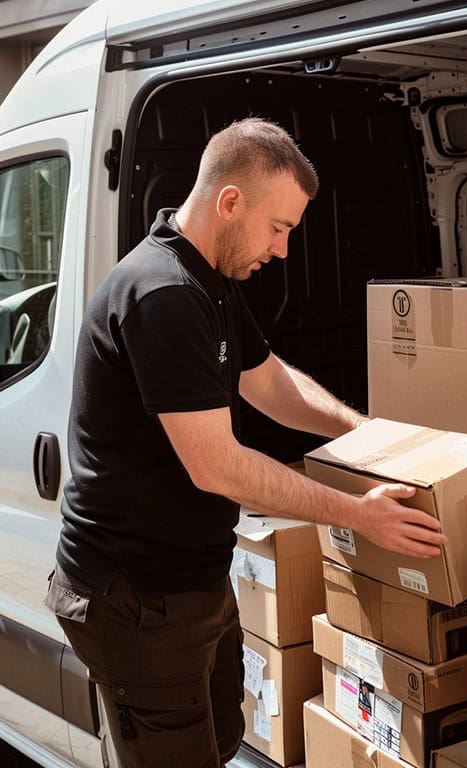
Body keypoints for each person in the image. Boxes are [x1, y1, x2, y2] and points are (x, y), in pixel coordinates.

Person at [44, 117, 446, 768]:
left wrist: (367, 433)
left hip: (192, 581)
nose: (283, 250)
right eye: (279, 228)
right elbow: (219, 468)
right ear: (230, 202)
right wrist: (358, 513)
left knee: (224, 743)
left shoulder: (209, 279)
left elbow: (269, 381)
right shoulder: (163, 293)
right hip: (135, 599)